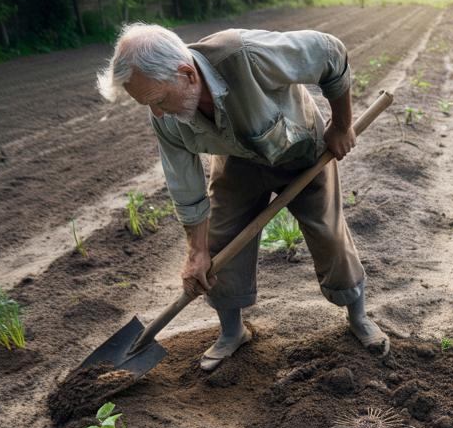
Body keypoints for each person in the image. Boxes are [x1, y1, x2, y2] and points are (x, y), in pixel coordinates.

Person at [95, 22, 387, 371]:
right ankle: (232, 332)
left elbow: (330, 53)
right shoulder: (166, 117)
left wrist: (340, 125)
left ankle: (358, 317)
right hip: (239, 160)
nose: (157, 113)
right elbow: (185, 186)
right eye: (148, 104)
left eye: (158, 101)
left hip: (300, 149)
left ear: (187, 74)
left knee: (329, 234)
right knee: (220, 242)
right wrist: (197, 252)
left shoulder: (244, 54)